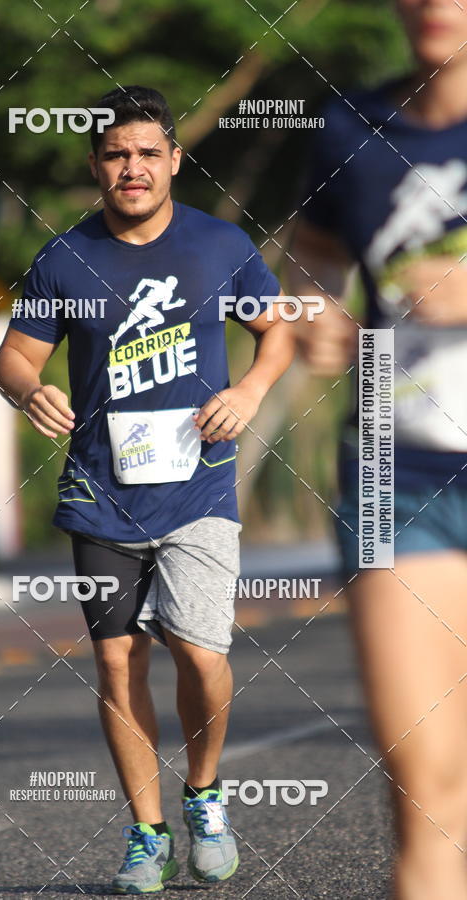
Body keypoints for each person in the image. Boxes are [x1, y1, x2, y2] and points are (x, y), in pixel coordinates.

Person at [0, 85, 292, 893]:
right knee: (119, 663)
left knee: (201, 651)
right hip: (101, 491)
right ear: (96, 164)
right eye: (117, 155)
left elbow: (276, 330)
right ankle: (146, 832)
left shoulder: (220, 246)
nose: (133, 168)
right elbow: (14, 357)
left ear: (173, 160)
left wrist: (252, 393)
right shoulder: (65, 257)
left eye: (148, 153)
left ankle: (204, 793)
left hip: (199, 485)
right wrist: (29, 390)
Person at [286, 2, 467, 897]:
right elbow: (311, 256)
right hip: (403, 475)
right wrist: (315, 314)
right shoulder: (352, 129)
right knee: (430, 802)